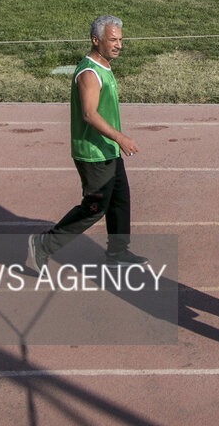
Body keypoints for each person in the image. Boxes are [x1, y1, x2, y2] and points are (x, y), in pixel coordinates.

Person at [27, 15, 147, 273]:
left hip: (108, 150)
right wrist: (120, 137)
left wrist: (114, 142)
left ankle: (117, 252)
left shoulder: (104, 65)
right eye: (112, 40)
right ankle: (43, 244)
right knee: (94, 208)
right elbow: (89, 114)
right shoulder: (90, 73)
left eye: (120, 40)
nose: (119, 45)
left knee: (120, 201)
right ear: (96, 40)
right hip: (93, 153)